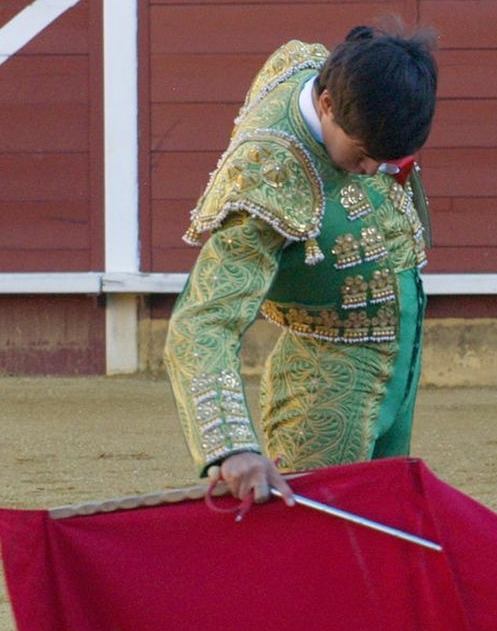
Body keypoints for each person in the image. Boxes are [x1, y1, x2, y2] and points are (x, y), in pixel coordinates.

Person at [165, 26, 437, 509]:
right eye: (361, 155)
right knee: (318, 546)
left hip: (402, 350)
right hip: (328, 378)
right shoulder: (268, 175)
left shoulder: (326, 70)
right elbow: (202, 320)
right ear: (327, 105)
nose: (373, 171)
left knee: (382, 523)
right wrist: (231, 446)